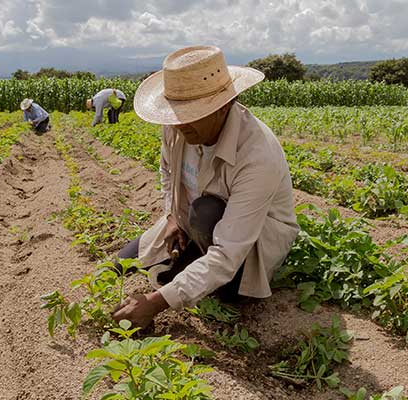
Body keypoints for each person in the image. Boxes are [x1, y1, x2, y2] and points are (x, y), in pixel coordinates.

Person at [111, 45, 300, 329]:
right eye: (176, 113)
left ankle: (211, 279)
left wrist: (156, 303)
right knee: (120, 264)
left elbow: (227, 254)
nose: (179, 123)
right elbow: (166, 170)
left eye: (191, 114)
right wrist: (172, 215)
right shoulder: (176, 127)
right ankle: (190, 258)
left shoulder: (258, 155)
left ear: (222, 107)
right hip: (191, 223)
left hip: (248, 243)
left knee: (206, 212)